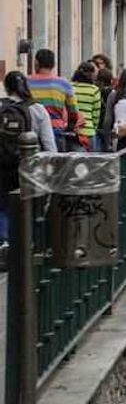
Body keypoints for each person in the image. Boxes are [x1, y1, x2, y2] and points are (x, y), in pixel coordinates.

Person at [0, 71, 57, 267]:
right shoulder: (38, 109)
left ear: (6, 87)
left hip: (3, 168)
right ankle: (26, 246)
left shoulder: (1, 107)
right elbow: (49, 145)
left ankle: (5, 244)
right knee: (29, 207)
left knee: (4, 207)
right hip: (29, 168)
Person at [28, 49, 81, 152]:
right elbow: (73, 112)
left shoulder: (27, 82)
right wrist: (69, 127)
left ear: (36, 63)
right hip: (56, 130)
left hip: (31, 131)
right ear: (54, 64)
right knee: (56, 165)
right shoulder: (63, 84)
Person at [71, 62, 102, 151]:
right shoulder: (94, 90)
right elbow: (96, 114)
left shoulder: (70, 87)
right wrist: (93, 127)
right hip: (89, 132)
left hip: (73, 132)